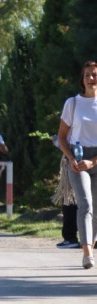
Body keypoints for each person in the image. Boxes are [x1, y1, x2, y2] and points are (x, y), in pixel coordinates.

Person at [57, 60, 97, 269]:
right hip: (77, 160)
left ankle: (91, 238)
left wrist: (94, 161)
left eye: (95, 74)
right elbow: (62, 137)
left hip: (96, 158)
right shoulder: (72, 103)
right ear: (82, 79)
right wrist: (71, 158)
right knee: (86, 204)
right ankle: (87, 252)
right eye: (88, 75)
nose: (92, 78)